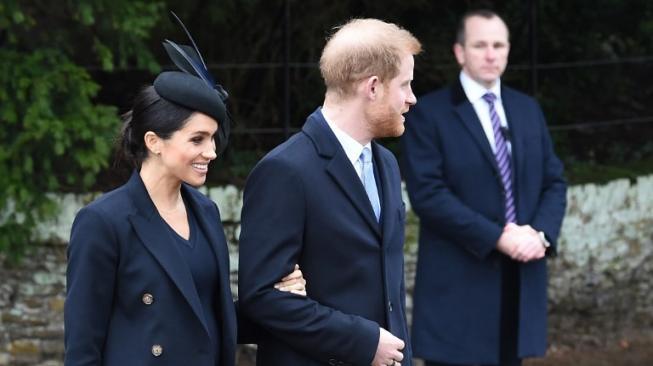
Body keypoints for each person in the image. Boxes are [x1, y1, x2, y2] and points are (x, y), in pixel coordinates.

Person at [64, 16, 306, 366]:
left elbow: (209, 321)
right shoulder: (102, 222)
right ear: (154, 142)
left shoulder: (205, 212)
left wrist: (276, 299)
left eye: (211, 138)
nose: (211, 151)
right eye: (197, 139)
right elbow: (83, 348)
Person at [237, 18, 421, 366]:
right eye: (405, 85)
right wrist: (363, 342)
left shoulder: (387, 164)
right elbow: (260, 298)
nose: (412, 98)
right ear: (373, 87)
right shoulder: (285, 171)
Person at [401, 9, 567, 366]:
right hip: (459, 289)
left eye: (498, 45)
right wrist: (497, 237)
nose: (491, 54)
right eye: (480, 45)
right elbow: (428, 194)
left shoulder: (527, 110)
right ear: (460, 52)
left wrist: (540, 235)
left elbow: (554, 180)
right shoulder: (429, 114)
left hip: (520, 284)